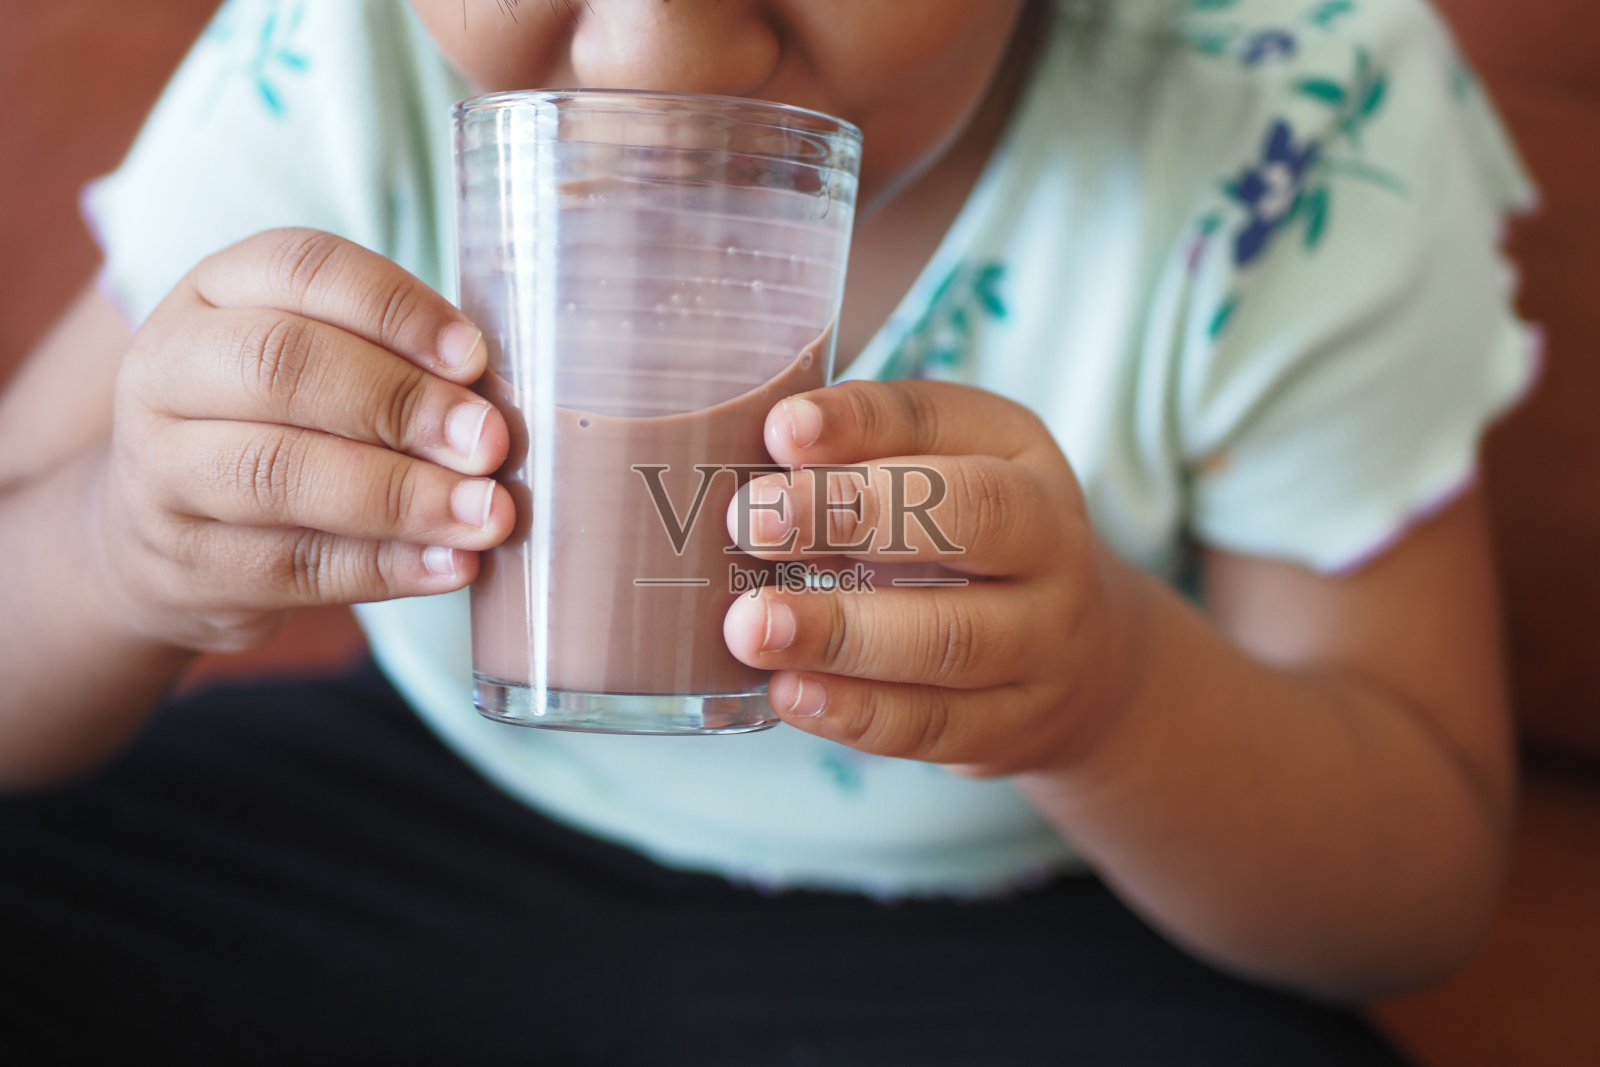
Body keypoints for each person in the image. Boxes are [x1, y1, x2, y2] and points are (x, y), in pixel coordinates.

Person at [0, 0, 1536, 1061]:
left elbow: (1421, 880)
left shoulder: (1287, 116)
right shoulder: (340, 59)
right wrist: (113, 546)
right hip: (425, 811)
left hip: (1016, 914)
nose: (652, 49)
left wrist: (1113, 695)